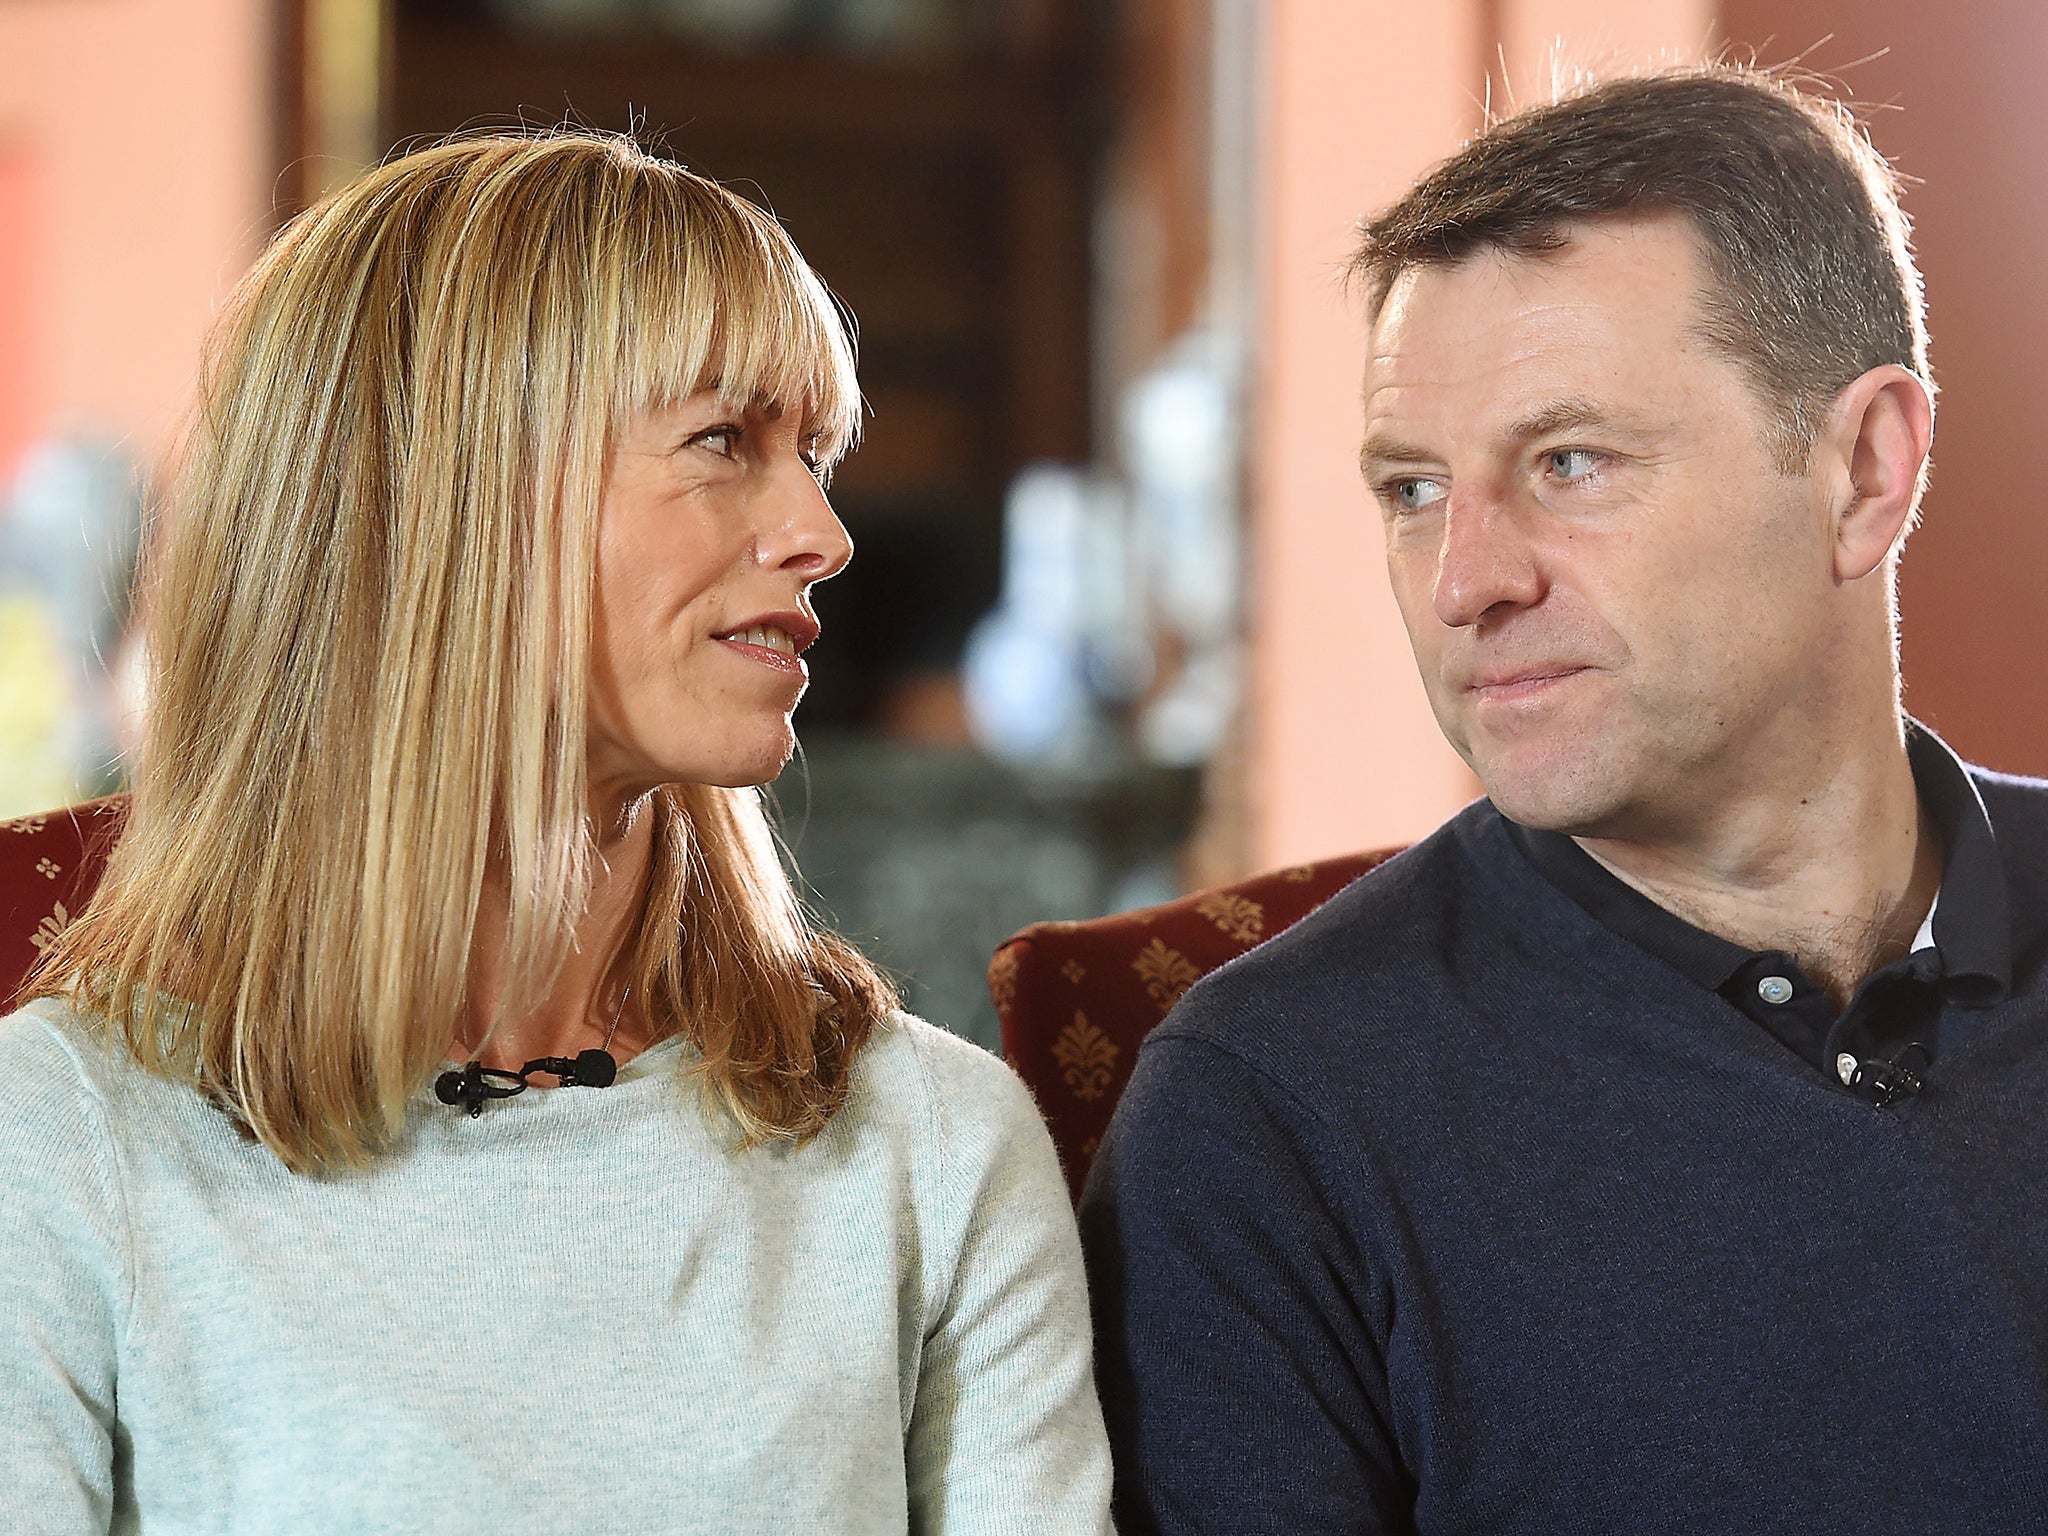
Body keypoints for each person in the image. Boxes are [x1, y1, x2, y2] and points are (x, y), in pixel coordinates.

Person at [0, 132, 1112, 1534]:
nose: (822, 531)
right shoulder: (62, 1142)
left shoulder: (929, 1148)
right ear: (445, 500)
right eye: (725, 442)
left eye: (813, 455)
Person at [1080, 64, 2048, 1533]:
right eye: (1411, 490)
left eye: (1569, 462)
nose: (1467, 582)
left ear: (1864, 470)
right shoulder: (1270, 1114)